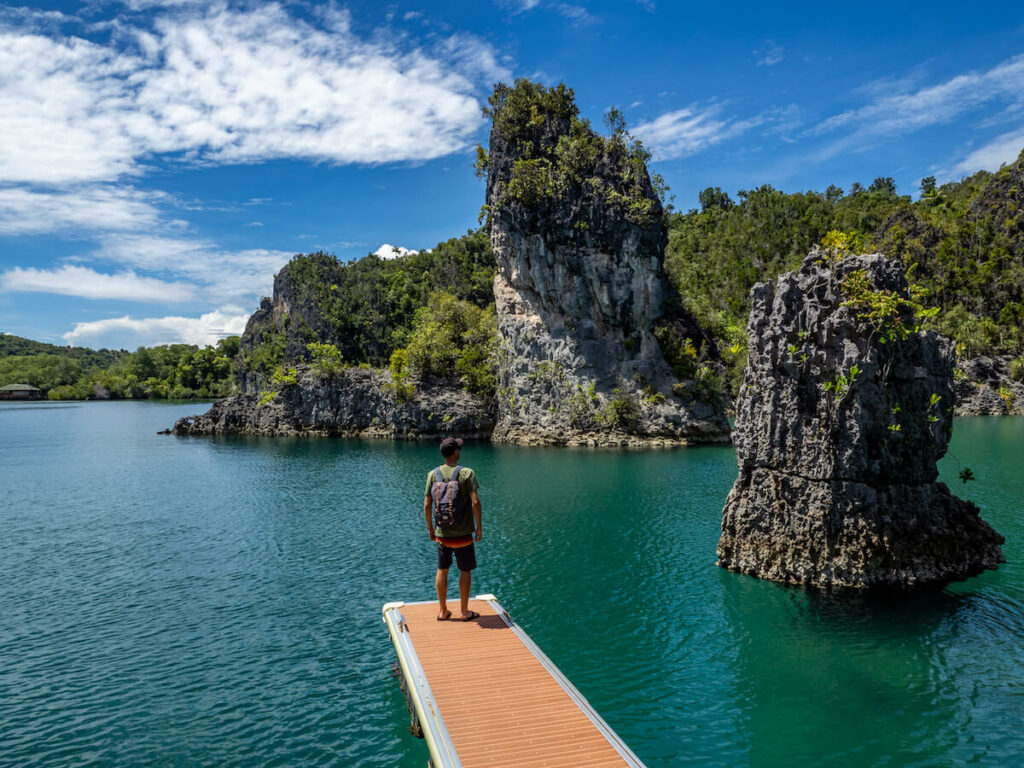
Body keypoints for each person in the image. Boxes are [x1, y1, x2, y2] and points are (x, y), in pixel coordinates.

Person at [424, 436, 482, 622]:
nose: (460, 451)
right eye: (459, 448)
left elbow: (427, 504)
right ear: (455, 452)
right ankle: (464, 612)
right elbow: (475, 502)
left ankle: (443, 611)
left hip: (443, 534)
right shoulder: (467, 473)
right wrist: (479, 528)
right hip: (463, 534)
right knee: (465, 570)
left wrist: (430, 528)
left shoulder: (433, 474)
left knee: (442, 569)